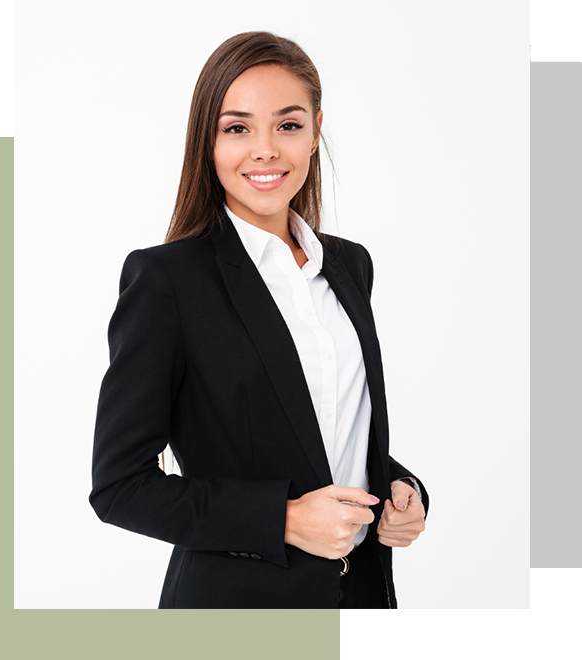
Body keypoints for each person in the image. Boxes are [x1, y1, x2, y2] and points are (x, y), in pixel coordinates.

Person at [90, 31, 429, 609]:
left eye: (288, 125)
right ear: (207, 140)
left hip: (362, 599)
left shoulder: (350, 266)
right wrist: (284, 519)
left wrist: (401, 489)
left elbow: (326, 433)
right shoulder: (167, 280)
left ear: (316, 132)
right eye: (238, 128)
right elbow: (120, 487)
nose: (266, 150)